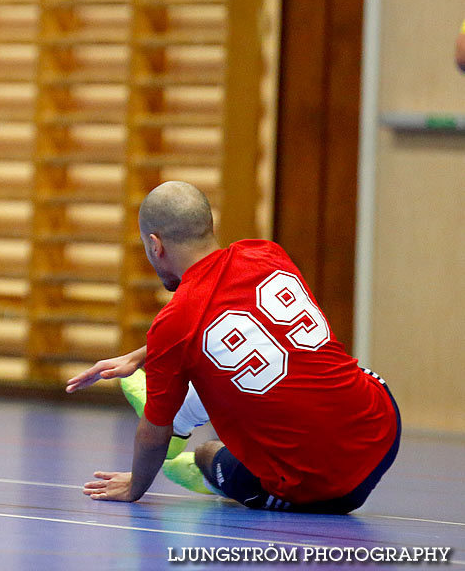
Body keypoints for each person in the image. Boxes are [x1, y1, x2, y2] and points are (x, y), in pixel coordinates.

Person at [67, 181, 401, 513]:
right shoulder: (267, 253)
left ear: (155, 246)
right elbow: (243, 323)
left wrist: (135, 487)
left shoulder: (176, 321)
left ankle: (201, 451)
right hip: (383, 427)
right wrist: (145, 353)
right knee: (296, 363)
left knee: (206, 453)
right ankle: (190, 411)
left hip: (323, 490)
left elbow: (154, 435)